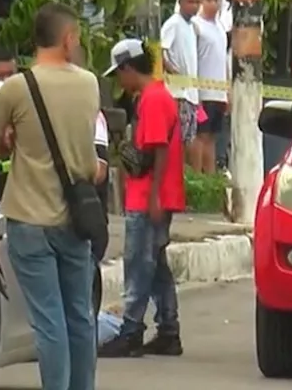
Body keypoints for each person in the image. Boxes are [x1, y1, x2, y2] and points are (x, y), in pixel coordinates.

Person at [0, 2, 104, 390]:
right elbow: (87, 158)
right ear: (68, 39)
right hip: (75, 219)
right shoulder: (89, 84)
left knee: (49, 321)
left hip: (29, 221)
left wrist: (10, 141)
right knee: (80, 316)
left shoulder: (15, 88)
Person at [98, 38, 185, 358]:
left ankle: (132, 329)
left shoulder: (153, 99)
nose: (119, 80)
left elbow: (158, 148)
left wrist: (154, 197)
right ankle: (168, 329)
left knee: (139, 265)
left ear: (128, 67)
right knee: (156, 265)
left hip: (147, 196)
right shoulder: (153, 96)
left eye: (119, 73)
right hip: (151, 194)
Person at [191, 0, 228, 174]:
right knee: (200, 135)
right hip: (202, 93)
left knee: (212, 136)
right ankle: (198, 175)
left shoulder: (220, 28)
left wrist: (227, 92)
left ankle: (211, 176)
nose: (213, 4)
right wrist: (194, 92)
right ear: (202, 1)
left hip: (219, 93)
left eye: (216, 0)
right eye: (209, 0)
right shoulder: (196, 26)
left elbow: (224, 60)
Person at [161, 0, 202, 149]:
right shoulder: (173, 23)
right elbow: (160, 51)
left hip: (191, 93)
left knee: (188, 139)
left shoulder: (192, 27)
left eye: (197, 2)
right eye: (190, 1)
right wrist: (173, 71)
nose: (194, 6)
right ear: (181, 2)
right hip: (177, 92)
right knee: (176, 138)